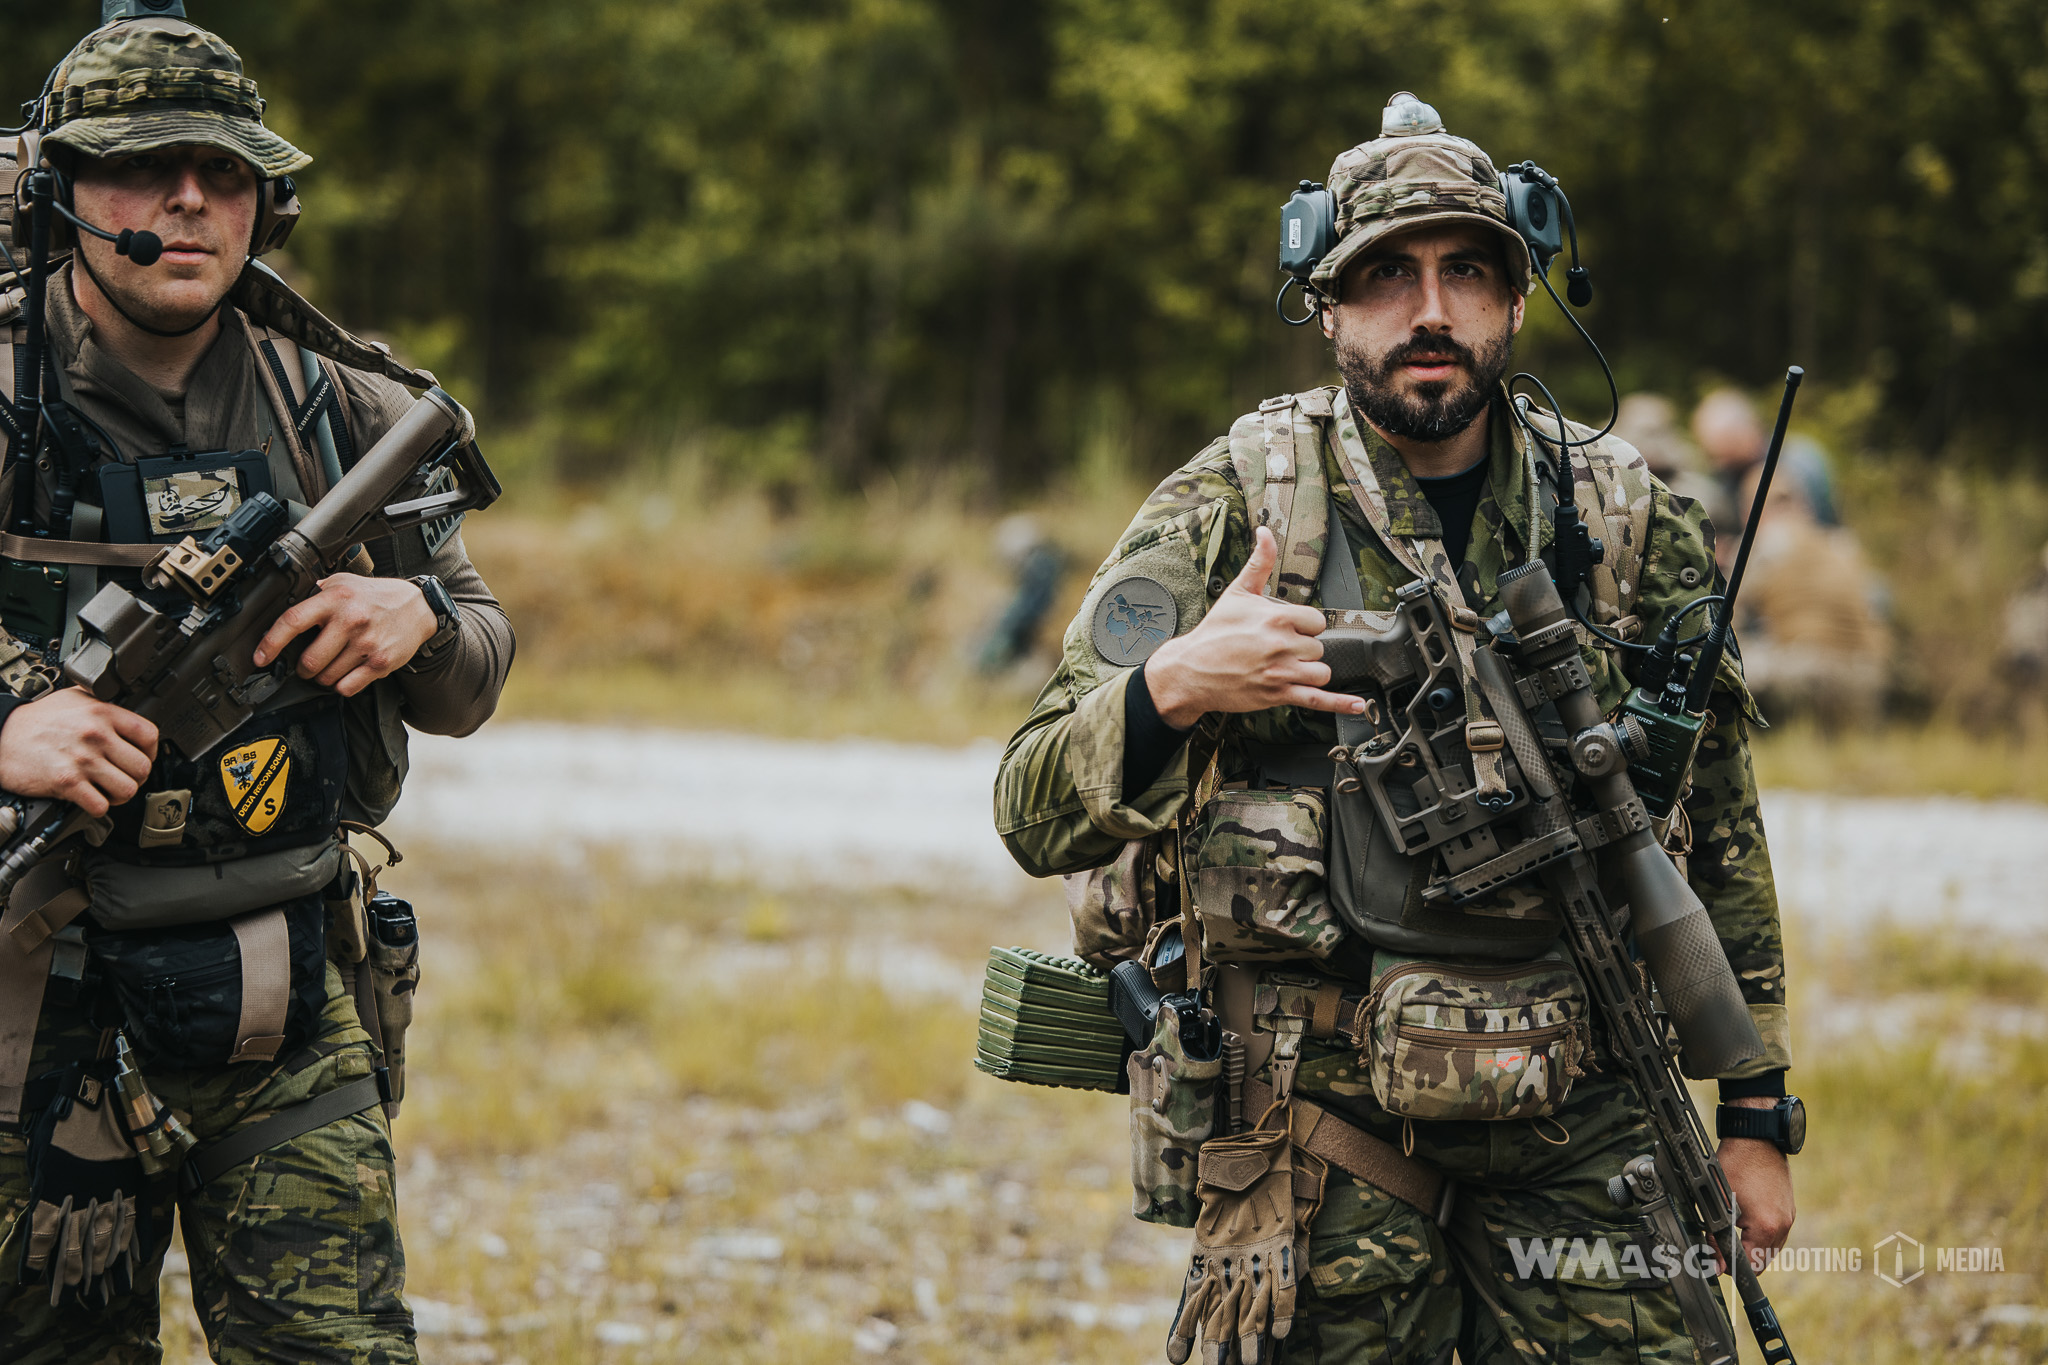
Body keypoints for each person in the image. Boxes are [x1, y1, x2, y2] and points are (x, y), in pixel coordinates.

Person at [994, 94, 1796, 1361]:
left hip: (1583, 1106)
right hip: (1314, 1125)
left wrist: (1751, 1111)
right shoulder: (1232, 502)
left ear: (1517, 297)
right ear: (1325, 305)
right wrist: (1175, 685)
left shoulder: (1627, 514)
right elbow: (1031, 806)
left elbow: (1719, 824)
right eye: (1385, 276)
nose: (1429, 311)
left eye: (1465, 271)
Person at [0, 12, 511, 1362]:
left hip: (277, 988)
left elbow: (474, 675)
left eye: (223, 171)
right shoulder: (6, 389)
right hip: (26, 995)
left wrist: (417, 620)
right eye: (142, 165)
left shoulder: (343, 407)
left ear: (264, 203)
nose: (187, 199)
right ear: (61, 191)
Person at [1691, 386, 1838, 570]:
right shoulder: (1728, 474)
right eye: (1714, 457)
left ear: (1749, 430)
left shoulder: (1799, 463)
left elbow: (1814, 527)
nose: (1720, 465)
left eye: (1727, 454)